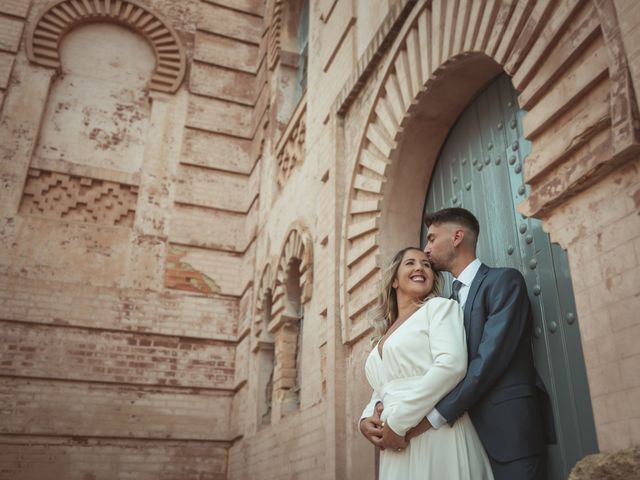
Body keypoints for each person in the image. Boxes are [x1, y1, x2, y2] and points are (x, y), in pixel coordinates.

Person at [420, 207, 552, 480]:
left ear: (457, 237)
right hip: (462, 443)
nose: (426, 248)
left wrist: (436, 415)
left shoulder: (503, 282)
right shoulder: (444, 306)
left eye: (432, 238)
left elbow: (489, 360)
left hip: (510, 435)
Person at [359, 247, 493, 480]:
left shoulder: (439, 308)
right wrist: (366, 419)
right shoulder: (382, 336)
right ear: (393, 281)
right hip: (393, 442)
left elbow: (451, 366)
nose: (420, 268)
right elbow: (383, 387)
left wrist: (399, 422)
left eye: (426, 265)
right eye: (410, 263)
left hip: (433, 432)